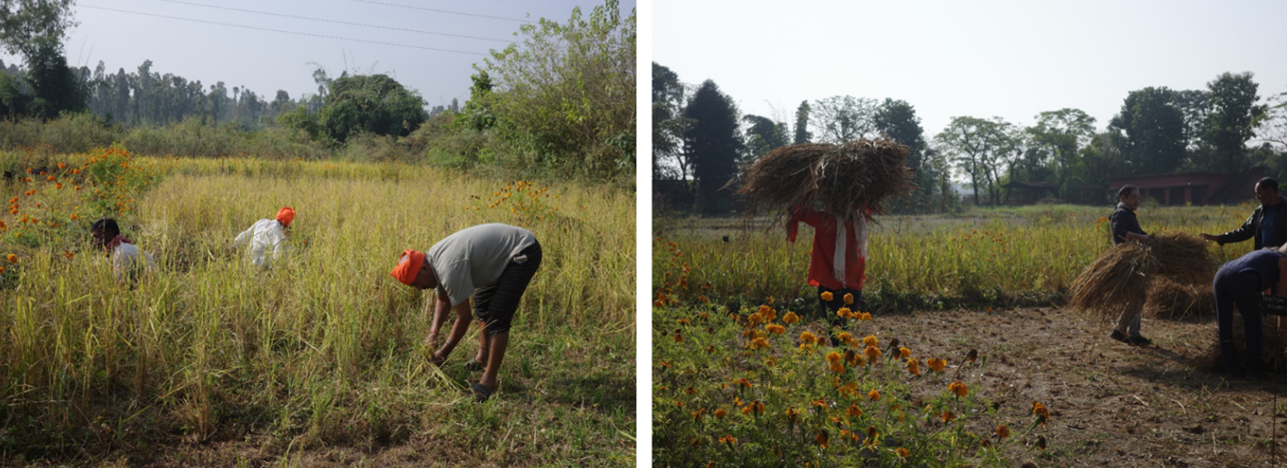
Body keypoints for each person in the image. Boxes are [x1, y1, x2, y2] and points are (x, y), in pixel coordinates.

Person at [390, 223, 542, 402]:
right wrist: (433, 333)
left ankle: (489, 381)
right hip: (505, 255)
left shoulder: (448, 268)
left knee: (497, 315)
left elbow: (464, 317)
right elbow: (443, 299)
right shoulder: (433, 259)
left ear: (423, 269)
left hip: (522, 252)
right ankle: (482, 358)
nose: (419, 289)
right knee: (481, 303)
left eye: (417, 283)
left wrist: (444, 352)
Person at [787, 203, 870, 347]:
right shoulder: (861, 220)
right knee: (844, 330)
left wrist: (805, 192)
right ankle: (843, 363)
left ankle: (840, 363)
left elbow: (796, 209)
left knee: (835, 332)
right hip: (854, 288)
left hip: (829, 288)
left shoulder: (824, 220)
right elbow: (872, 203)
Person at [1212, 245, 1287, 380]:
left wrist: (1267, 315)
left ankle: (1231, 367)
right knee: (1253, 321)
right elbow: (1281, 297)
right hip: (1241, 279)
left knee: (1224, 323)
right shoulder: (1285, 262)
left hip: (1221, 274)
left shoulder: (1267, 255)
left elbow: (1266, 293)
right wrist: (1282, 321)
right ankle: (1254, 369)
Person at [1109, 185, 1152, 345]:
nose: (1137, 200)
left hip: (1134, 260)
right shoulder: (1120, 213)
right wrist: (1141, 238)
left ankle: (1134, 333)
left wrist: (1152, 238)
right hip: (1127, 261)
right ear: (1123, 198)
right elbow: (1119, 232)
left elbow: (1141, 232)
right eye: (1134, 197)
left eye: (1138, 198)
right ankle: (1119, 330)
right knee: (1138, 296)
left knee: (1138, 296)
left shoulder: (1129, 214)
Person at [1201, 177, 1287, 250]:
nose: (1256, 197)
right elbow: (1244, 231)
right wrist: (1220, 238)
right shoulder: (1259, 212)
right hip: (1262, 261)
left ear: (1269, 192)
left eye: (1259, 193)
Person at [90, 218, 155, 283]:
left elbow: (120, 284)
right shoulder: (113, 252)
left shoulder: (121, 253)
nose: (95, 241)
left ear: (110, 235)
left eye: (97, 237)